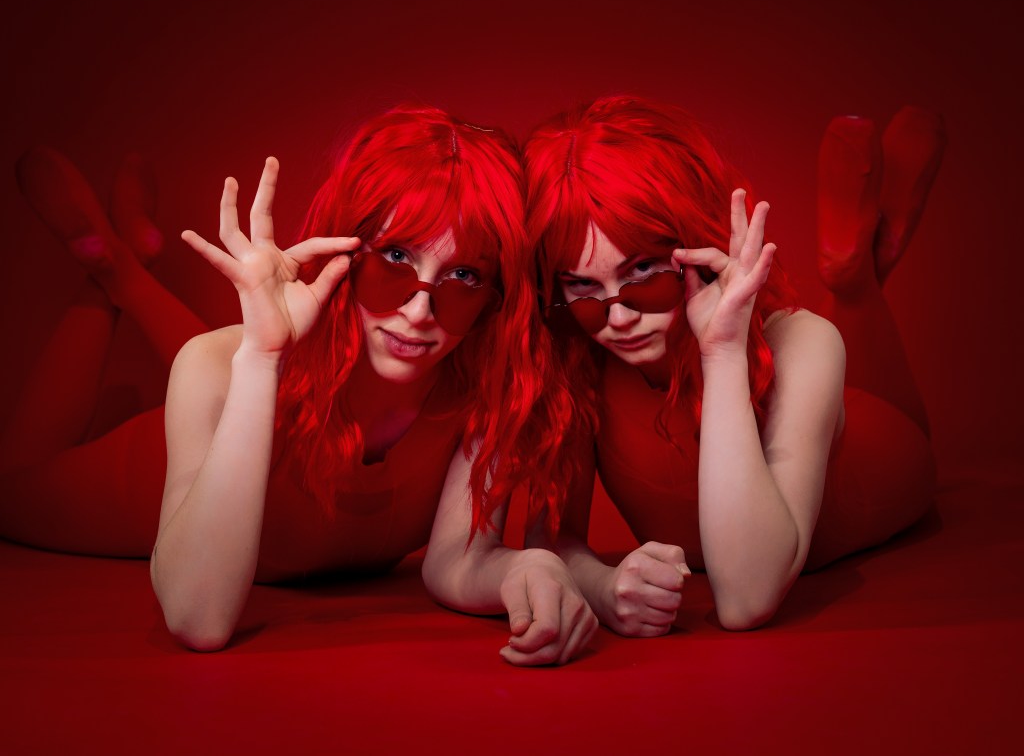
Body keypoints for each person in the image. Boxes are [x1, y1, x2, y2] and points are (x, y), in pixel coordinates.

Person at [1, 104, 596, 662]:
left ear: (498, 296)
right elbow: (196, 617)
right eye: (394, 258)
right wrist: (261, 358)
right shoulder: (220, 367)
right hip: (166, 467)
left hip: (273, 375)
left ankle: (123, 263)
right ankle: (109, 270)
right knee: (13, 489)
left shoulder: (484, 391)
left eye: (463, 274)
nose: (419, 310)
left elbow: (456, 561)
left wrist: (527, 568)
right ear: (346, 250)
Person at [523, 95, 943, 634]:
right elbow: (553, 542)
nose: (619, 316)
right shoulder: (576, 363)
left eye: (644, 272)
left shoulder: (804, 344)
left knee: (851, 353)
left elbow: (747, 597)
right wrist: (603, 589)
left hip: (885, 451)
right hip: (811, 401)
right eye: (582, 288)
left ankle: (852, 275)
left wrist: (720, 350)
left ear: (696, 244)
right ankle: (856, 268)